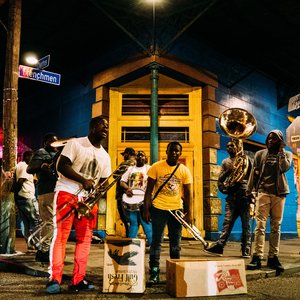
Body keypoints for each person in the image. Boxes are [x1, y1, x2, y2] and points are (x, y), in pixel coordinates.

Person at [46, 116, 111, 294]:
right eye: (102, 125)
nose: (106, 128)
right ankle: (55, 278)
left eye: (108, 126)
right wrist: (84, 181)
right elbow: (62, 166)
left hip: (88, 200)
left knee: (85, 240)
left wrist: (97, 194)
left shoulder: (106, 156)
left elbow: (103, 182)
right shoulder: (76, 144)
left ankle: (78, 279)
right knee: (61, 236)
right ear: (92, 127)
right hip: (67, 191)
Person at [143, 141, 193, 285]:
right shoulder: (156, 167)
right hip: (159, 208)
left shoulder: (184, 170)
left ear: (180, 153)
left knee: (175, 242)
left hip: (176, 209)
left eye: (177, 151)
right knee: (156, 241)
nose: (174, 153)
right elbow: (149, 191)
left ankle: (175, 271)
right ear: (166, 151)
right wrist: (147, 209)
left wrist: (189, 213)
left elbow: (189, 193)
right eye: (171, 150)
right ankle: (154, 271)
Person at [246, 130, 293, 272]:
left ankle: (273, 257)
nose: (271, 141)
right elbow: (254, 173)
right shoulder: (260, 154)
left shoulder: (287, 154)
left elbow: (284, 168)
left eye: (274, 139)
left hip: (279, 194)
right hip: (263, 192)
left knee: (275, 227)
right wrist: (249, 191)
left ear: (280, 141)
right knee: (260, 226)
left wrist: (281, 152)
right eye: (269, 138)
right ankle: (257, 257)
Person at [204, 140, 252, 257]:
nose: (229, 148)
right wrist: (227, 175)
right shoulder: (225, 162)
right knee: (227, 223)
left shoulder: (247, 160)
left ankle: (246, 248)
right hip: (231, 197)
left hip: (244, 196)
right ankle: (220, 246)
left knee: (246, 225)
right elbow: (220, 179)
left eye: (232, 146)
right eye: (227, 146)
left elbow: (252, 177)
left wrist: (252, 193)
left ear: (237, 147)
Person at [27, 133, 59, 263]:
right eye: (51, 142)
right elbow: (30, 169)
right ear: (45, 143)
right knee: (49, 222)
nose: (54, 144)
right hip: (46, 191)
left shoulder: (57, 154)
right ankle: (44, 251)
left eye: (56, 142)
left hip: (56, 191)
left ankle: (46, 249)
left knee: (51, 222)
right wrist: (42, 166)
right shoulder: (41, 152)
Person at [120, 150, 152, 248]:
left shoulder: (149, 168)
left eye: (142, 155)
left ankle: (153, 246)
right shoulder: (130, 169)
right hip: (131, 198)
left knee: (145, 222)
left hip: (144, 200)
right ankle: (131, 246)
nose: (140, 157)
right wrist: (127, 189)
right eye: (138, 155)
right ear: (135, 158)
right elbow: (122, 182)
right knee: (133, 223)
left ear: (146, 158)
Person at [14, 151, 41, 251]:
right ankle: (39, 245)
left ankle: (30, 244)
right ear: (27, 156)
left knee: (24, 223)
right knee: (36, 222)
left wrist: (16, 197)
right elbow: (20, 181)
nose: (33, 160)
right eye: (32, 158)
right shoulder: (25, 166)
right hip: (27, 198)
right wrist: (16, 195)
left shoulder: (19, 165)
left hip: (21, 199)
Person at [115, 147, 136, 237]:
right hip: (134, 194)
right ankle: (131, 235)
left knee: (125, 216)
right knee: (132, 217)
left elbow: (115, 175)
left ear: (128, 154)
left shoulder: (125, 164)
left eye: (124, 154)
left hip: (123, 194)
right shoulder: (138, 164)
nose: (124, 156)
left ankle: (129, 236)